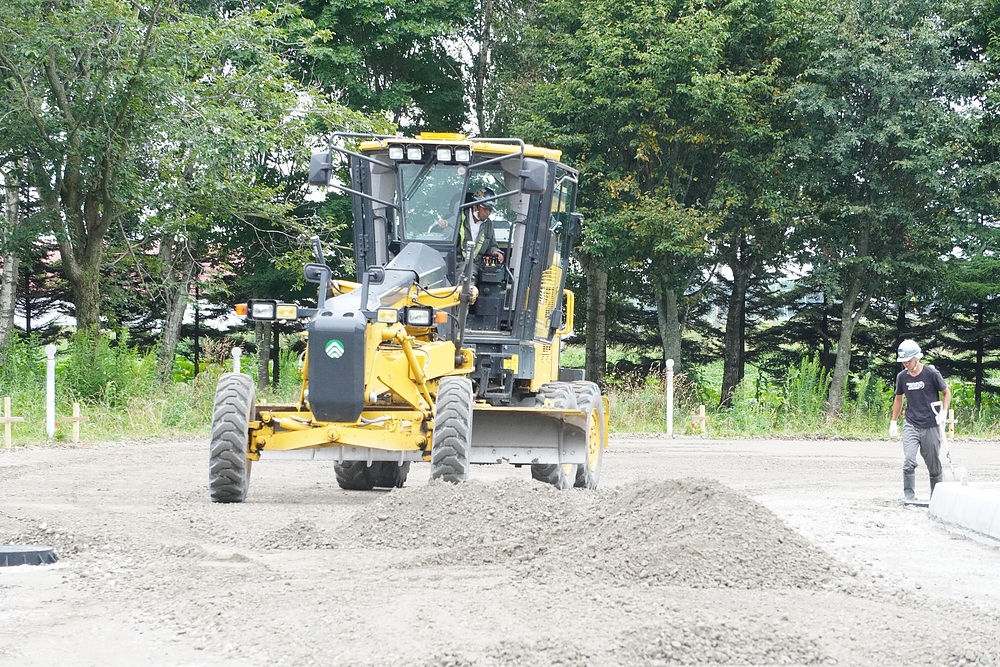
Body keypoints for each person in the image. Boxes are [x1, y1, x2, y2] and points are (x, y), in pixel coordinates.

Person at [889, 339, 951, 502]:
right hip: (911, 423)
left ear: (917, 358)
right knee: (909, 460)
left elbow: (946, 393)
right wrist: (893, 422)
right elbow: (898, 399)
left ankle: (936, 497)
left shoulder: (931, 374)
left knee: (933, 464)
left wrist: (943, 413)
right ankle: (909, 496)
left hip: (931, 424)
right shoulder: (902, 377)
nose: (906, 364)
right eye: (903, 362)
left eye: (908, 361)